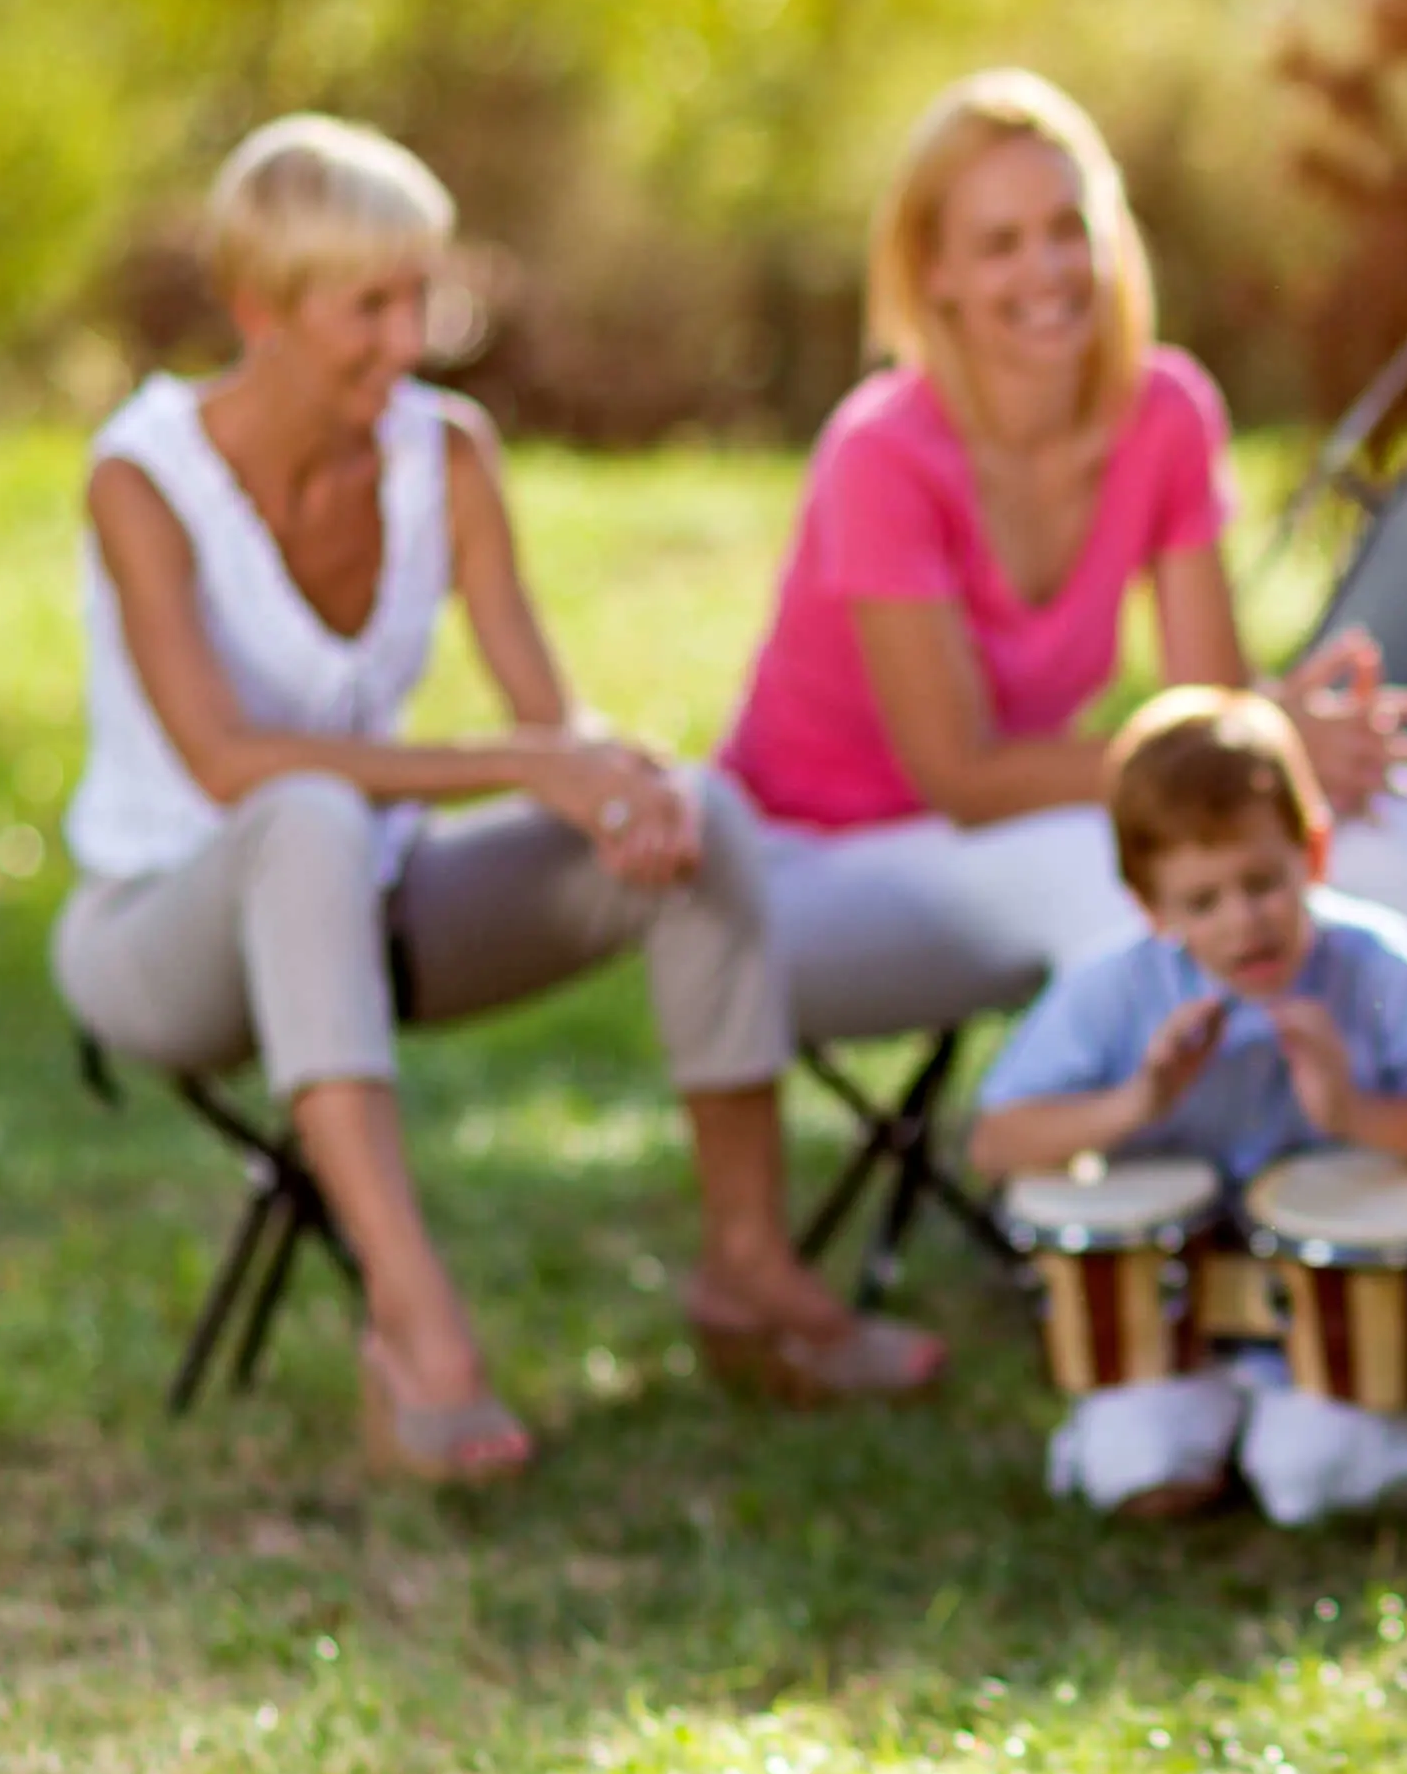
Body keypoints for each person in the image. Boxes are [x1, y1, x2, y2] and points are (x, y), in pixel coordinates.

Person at [55, 116, 942, 1483]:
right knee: (302, 815)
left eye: (423, 298)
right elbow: (232, 764)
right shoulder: (143, 476)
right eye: (368, 309)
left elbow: (546, 711)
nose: (407, 341)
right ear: (259, 311)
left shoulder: (445, 453)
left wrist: (613, 773)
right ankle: (416, 1333)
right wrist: (525, 769)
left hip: (376, 915)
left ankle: (752, 1280)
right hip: (161, 939)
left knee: (697, 818)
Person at [711, 69, 1407, 1063]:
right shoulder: (881, 454)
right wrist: (1254, 735)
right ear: (933, 274)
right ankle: (1215, 1187)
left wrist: (1284, 743)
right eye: (1000, 243)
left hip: (1007, 840)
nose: (1048, 269)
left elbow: (1207, 708)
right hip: (806, 874)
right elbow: (964, 779)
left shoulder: (1163, 412)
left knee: (1371, 810)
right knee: (1143, 877)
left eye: (1067, 228)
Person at [968, 688, 1407, 1524]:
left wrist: (1350, 1111)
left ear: (1315, 854)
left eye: (1263, 883)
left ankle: (1344, 1426)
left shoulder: (1376, 968)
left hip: (1343, 1329)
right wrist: (1136, 1101)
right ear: (1149, 908)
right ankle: (1193, 1426)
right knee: (1138, 1473)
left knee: (1313, 1483)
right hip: (1173, 1331)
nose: (1244, 924)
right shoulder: (1119, 987)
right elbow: (995, 1143)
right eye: (1202, 901)